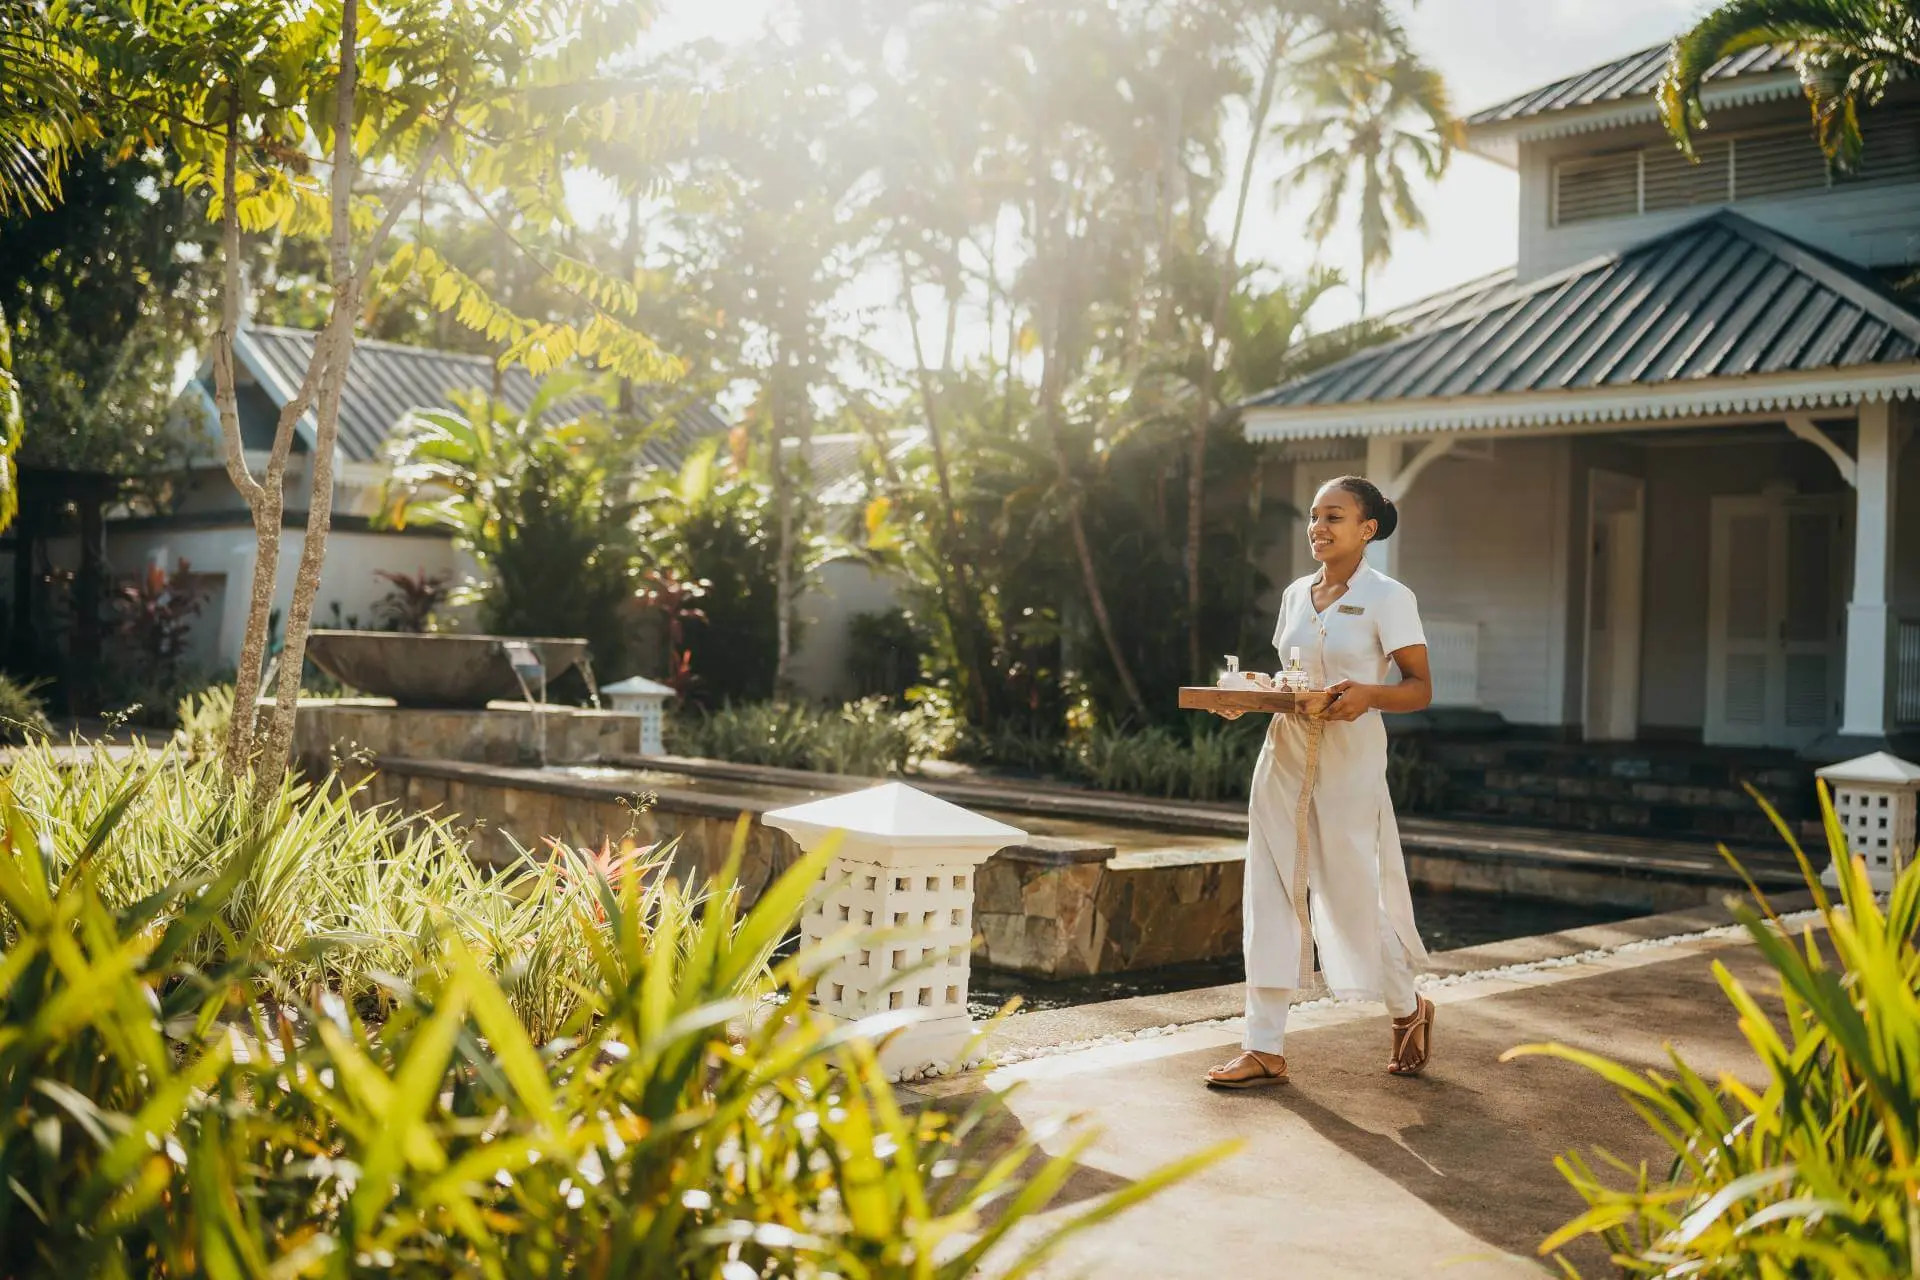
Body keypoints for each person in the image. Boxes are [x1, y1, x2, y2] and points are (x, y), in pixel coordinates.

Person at [1204, 475, 1436, 1088]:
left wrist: (1369, 695)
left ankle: (1407, 1009)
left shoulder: (1391, 597)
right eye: (1313, 516)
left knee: (1350, 894)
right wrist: (1252, 694)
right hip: (1282, 757)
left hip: (1351, 762)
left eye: (1333, 516)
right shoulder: (1294, 595)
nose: (1318, 527)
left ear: (1367, 529)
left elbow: (1419, 688)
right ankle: (1263, 1047)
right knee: (1269, 890)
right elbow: (1293, 678)